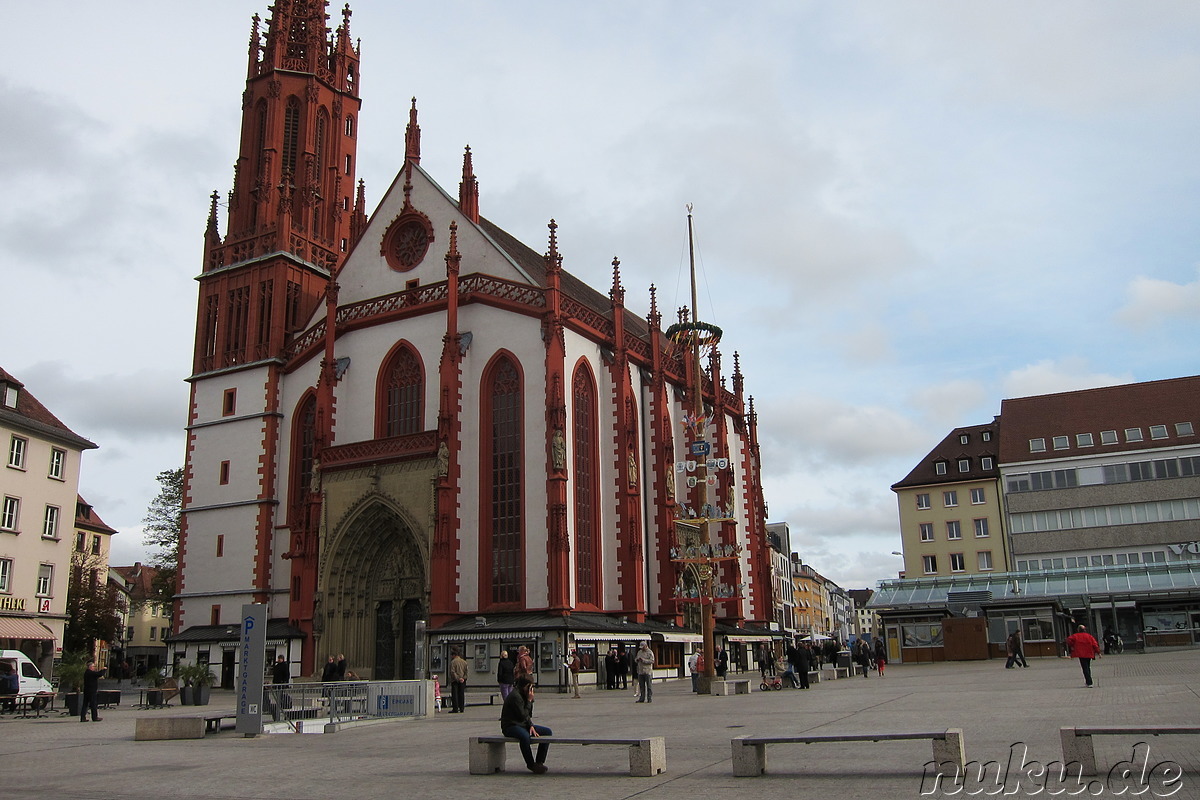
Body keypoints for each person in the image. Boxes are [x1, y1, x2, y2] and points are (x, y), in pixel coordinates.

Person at [500, 676, 552, 774]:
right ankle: (531, 764)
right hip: (510, 726)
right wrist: (529, 701)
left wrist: (531, 725)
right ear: (524, 686)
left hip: (522, 724)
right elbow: (522, 715)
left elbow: (528, 715)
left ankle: (539, 762)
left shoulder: (524, 694)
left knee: (547, 732)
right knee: (525, 737)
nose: (531, 689)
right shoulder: (515, 696)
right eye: (530, 686)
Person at [448, 647, 468, 713]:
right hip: (462, 680)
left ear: (454, 655)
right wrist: (463, 678)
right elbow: (466, 672)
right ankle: (462, 708)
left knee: (455, 695)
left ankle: (455, 708)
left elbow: (452, 672)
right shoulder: (464, 662)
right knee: (461, 694)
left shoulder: (453, 662)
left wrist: (457, 678)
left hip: (455, 681)